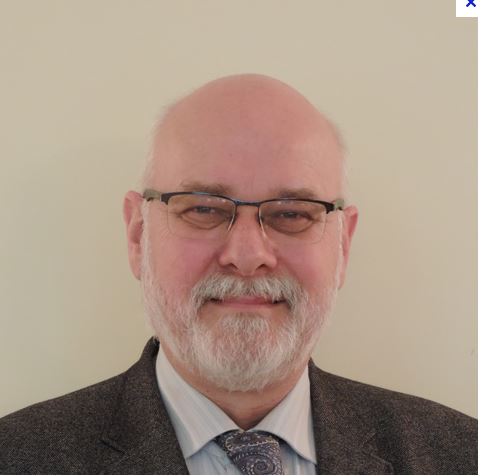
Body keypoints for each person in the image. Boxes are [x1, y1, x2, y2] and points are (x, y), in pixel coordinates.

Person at [0, 74, 476, 475]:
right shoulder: (17, 458)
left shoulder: (461, 455)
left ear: (343, 245)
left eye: (292, 213)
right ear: (137, 234)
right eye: (203, 209)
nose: (247, 256)